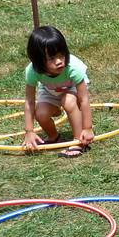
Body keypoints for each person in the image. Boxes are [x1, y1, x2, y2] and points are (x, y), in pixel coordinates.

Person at [22, 26, 93, 158]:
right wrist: (29, 131)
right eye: (52, 58)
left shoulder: (73, 67)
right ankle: (54, 136)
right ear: (38, 60)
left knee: (68, 101)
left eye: (62, 55)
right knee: (41, 113)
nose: (59, 61)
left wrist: (87, 128)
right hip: (50, 91)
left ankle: (78, 141)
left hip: (73, 89)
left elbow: (84, 99)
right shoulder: (32, 71)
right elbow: (29, 101)